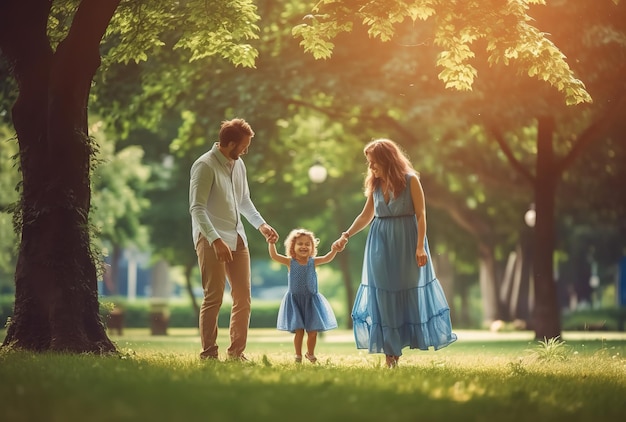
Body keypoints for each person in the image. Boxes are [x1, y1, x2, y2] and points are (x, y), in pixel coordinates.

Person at [333, 138, 456, 368]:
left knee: (405, 291)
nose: (370, 168)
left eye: (373, 162)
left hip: (407, 242)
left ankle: (399, 346)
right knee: (382, 294)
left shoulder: (411, 181)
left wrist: (420, 246)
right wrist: (345, 236)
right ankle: (390, 353)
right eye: (369, 163)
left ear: (386, 160)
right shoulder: (376, 185)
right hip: (379, 243)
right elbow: (365, 215)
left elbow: (421, 215)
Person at [189, 118, 278, 361]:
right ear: (229, 144)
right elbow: (197, 208)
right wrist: (215, 240)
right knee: (214, 296)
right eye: (244, 146)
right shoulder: (204, 166)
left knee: (243, 297)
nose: (246, 151)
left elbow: (244, 200)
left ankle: (236, 353)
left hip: (238, 238)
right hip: (211, 239)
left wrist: (261, 225)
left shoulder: (238, 165)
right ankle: (208, 353)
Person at [269, 228, 339, 363]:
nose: (304, 246)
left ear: (312, 247)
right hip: (295, 301)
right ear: (292, 247)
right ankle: (298, 355)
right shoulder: (290, 262)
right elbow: (275, 256)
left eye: (307, 244)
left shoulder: (313, 262)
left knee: (313, 332)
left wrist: (334, 249)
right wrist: (271, 243)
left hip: (311, 301)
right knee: (299, 331)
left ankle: (310, 353)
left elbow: (327, 258)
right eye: (300, 244)